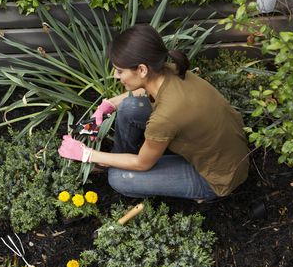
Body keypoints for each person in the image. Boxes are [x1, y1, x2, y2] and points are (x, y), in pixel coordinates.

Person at [58, 24, 249, 202]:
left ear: (142, 69)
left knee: (119, 178)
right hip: (226, 149)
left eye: (119, 71)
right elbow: (144, 89)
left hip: (216, 177)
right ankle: (120, 158)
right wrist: (109, 104)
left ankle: (205, 194)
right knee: (129, 107)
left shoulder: (165, 117)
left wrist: (88, 155)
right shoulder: (169, 70)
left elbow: (143, 164)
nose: (116, 76)